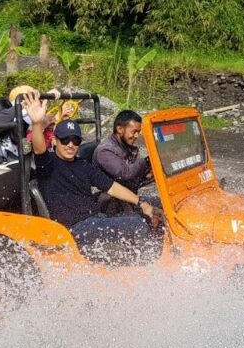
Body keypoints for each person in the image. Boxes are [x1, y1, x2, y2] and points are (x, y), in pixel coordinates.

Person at [24, 92, 157, 259]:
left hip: (94, 220)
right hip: (74, 228)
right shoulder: (48, 164)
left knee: (142, 215)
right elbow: (39, 149)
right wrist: (37, 123)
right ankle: (148, 266)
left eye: (75, 140)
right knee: (138, 224)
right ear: (55, 141)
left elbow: (112, 187)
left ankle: (131, 260)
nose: (70, 145)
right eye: (65, 140)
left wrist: (141, 203)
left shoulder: (82, 165)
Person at [93, 110, 153, 215]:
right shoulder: (105, 151)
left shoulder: (127, 147)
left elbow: (133, 177)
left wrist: (148, 174)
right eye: (134, 131)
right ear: (120, 129)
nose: (136, 136)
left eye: (138, 132)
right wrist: (147, 161)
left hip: (128, 196)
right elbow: (124, 173)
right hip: (110, 201)